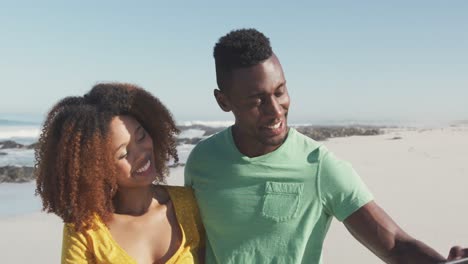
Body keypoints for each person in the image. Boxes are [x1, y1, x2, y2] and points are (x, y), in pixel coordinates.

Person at [184, 28, 468, 263]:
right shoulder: (202, 161)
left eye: (280, 92)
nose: (276, 110)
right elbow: (194, 246)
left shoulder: (318, 165)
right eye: (256, 101)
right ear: (224, 101)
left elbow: (395, 244)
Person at [35, 83, 204, 264]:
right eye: (124, 153)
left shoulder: (190, 204)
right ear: (95, 168)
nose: (141, 154)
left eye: (141, 137)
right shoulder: (85, 231)